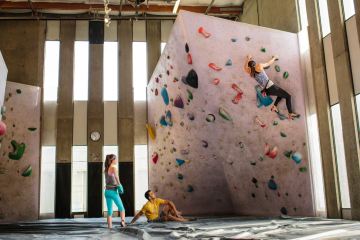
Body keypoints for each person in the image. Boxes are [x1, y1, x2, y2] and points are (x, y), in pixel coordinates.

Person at [244, 55, 299, 119]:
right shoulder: (258, 66)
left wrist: (247, 59)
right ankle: (290, 113)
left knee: (280, 94)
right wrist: (274, 58)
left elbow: (245, 67)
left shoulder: (250, 72)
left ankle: (275, 106)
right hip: (271, 87)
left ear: (249, 67)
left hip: (266, 90)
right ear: (255, 63)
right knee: (288, 96)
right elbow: (268, 63)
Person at [104, 154, 126, 228]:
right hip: (113, 192)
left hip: (107, 192)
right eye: (116, 159)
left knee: (110, 211)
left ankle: (110, 226)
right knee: (122, 209)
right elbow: (116, 178)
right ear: (112, 160)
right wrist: (120, 186)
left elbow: (108, 180)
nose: (116, 160)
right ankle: (123, 222)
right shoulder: (114, 168)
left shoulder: (106, 169)